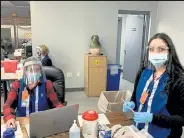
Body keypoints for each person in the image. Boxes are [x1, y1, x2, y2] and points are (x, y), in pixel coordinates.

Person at [122, 33, 184, 138]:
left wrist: (152, 118)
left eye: (161, 49)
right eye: (151, 49)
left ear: (170, 52)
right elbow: (135, 96)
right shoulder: (143, 73)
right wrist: (132, 104)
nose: (155, 53)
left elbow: (182, 119)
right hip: (139, 131)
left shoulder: (178, 80)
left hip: (164, 134)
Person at [3, 56, 63, 128]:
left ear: (40, 72)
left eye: (37, 70)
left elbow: (56, 104)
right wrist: (10, 118)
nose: (34, 73)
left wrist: (61, 111)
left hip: (43, 123)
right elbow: (7, 106)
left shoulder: (47, 85)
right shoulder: (17, 85)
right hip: (22, 123)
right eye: (31, 70)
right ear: (25, 72)